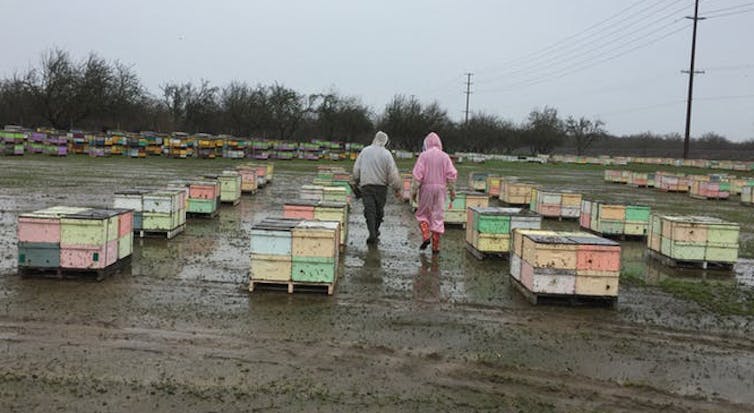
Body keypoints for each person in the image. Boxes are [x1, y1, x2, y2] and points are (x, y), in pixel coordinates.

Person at [352, 131, 402, 244]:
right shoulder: (386, 154)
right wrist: (397, 188)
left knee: (369, 211)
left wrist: (355, 180)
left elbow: (356, 168)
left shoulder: (365, 151)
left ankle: (372, 232)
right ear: (385, 141)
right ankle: (374, 232)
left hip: (366, 186)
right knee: (378, 211)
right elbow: (392, 173)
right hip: (381, 188)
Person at [411, 132, 457, 254]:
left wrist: (413, 193)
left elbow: (417, 176)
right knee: (438, 216)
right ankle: (436, 246)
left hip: (426, 188)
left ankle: (426, 234)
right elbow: (451, 176)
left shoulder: (423, 156)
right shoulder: (445, 156)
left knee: (422, 214)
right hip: (441, 190)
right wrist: (452, 192)